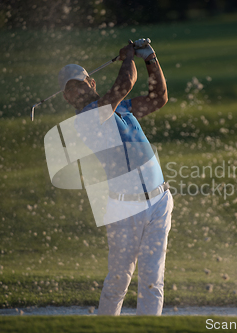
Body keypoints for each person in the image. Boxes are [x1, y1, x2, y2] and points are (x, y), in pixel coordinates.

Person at [58, 39, 174, 316]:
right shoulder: (86, 120)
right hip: (125, 208)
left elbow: (159, 98)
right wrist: (129, 57)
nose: (76, 91)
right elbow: (125, 83)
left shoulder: (120, 107)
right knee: (119, 279)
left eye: (79, 83)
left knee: (152, 280)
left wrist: (151, 60)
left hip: (159, 201)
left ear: (92, 83)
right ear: (66, 98)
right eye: (70, 89)